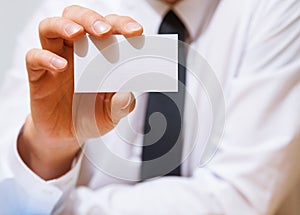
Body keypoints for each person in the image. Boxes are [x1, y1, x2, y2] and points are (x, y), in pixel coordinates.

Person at [0, 0, 299, 214]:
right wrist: (49, 147)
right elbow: (7, 196)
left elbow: (240, 199)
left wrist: (59, 207)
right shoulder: (61, 21)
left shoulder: (274, 10)